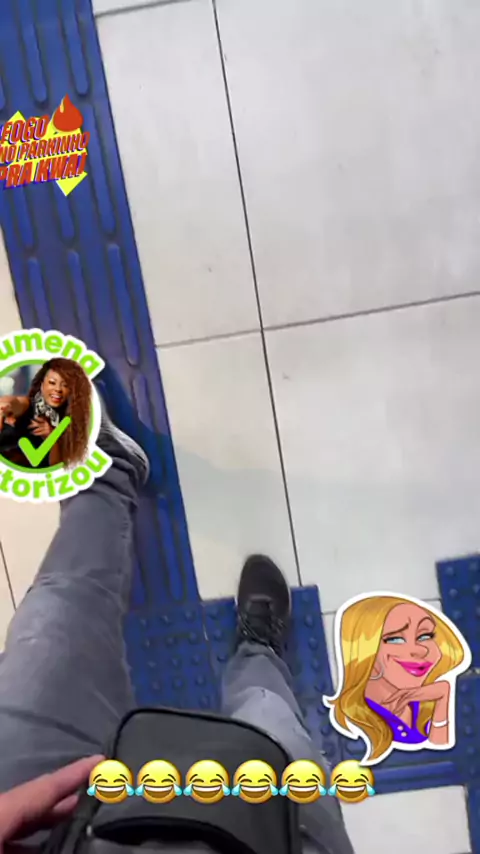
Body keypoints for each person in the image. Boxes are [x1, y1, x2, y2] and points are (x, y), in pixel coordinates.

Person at [0, 407, 354, 854]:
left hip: (42, 833)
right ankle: (259, 652)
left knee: (55, 618)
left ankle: (108, 472)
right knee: (273, 727)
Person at [324, 594, 470, 764]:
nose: (420, 650)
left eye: (425, 636)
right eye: (395, 639)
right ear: (364, 651)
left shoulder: (424, 705)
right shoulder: (354, 721)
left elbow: (445, 754)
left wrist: (443, 698)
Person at [0, 358, 91, 468]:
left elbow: (58, 468)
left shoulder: (75, 422)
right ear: (42, 384)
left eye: (65, 385)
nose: (58, 389)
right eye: (52, 383)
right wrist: (6, 405)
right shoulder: (30, 405)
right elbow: (16, 403)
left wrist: (51, 437)